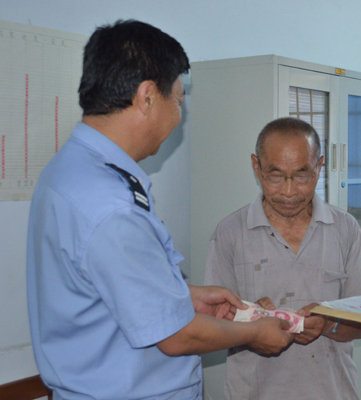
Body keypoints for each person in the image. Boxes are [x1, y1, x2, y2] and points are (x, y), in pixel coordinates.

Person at [26, 20, 293, 400]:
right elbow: (176, 336)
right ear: (148, 96)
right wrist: (254, 333)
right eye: (179, 101)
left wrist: (181, 295)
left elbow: (106, 284)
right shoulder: (111, 206)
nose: (179, 116)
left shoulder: (69, 170)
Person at [204, 117, 361, 400]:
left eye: (301, 176)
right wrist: (252, 321)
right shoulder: (229, 233)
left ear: (319, 167)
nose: (288, 191)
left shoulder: (345, 229)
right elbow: (213, 324)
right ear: (257, 167)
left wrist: (329, 324)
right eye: (275, 176)